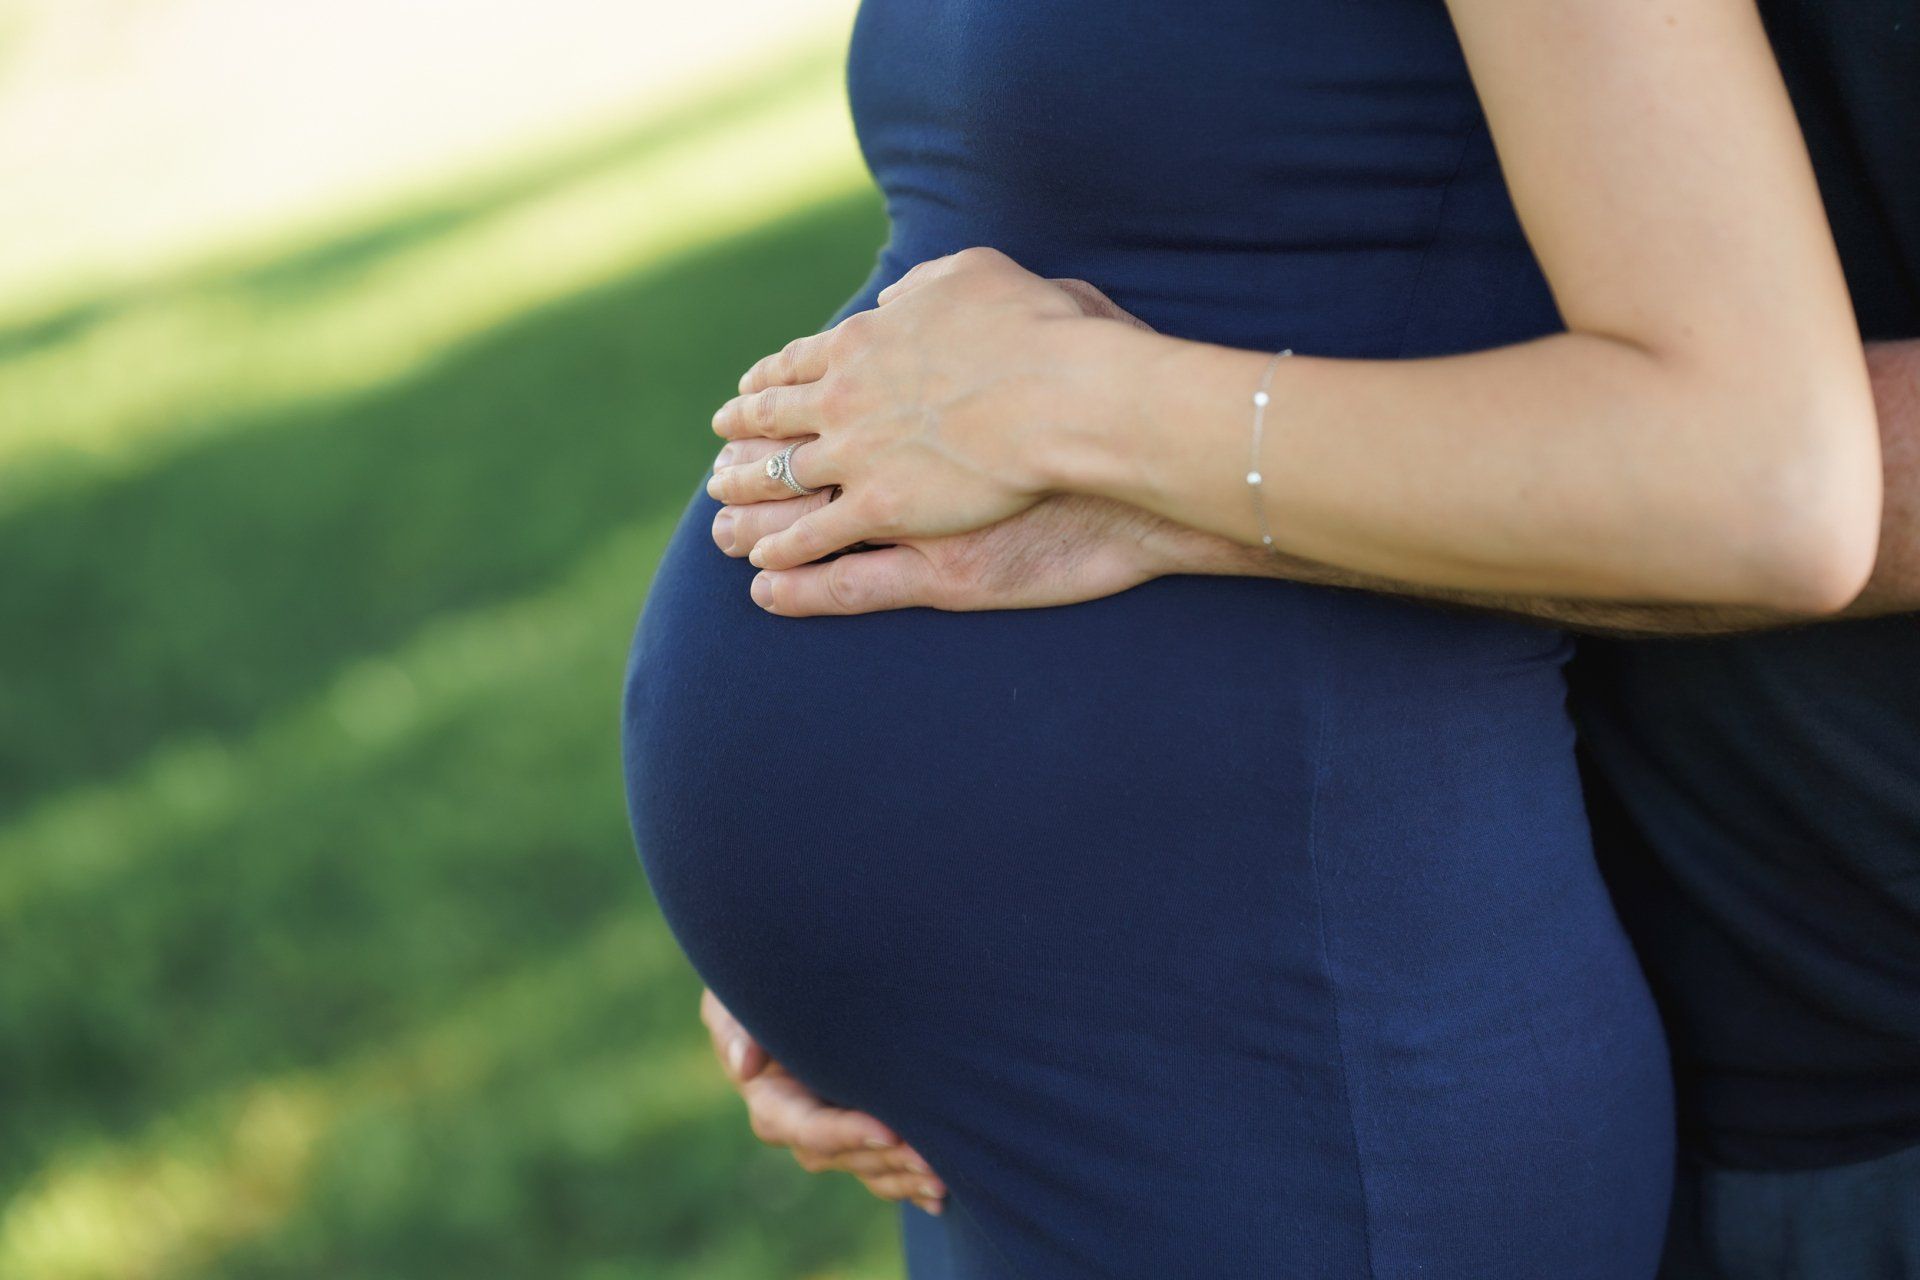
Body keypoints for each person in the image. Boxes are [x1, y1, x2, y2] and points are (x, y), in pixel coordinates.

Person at [623, 0, 1884, 1274]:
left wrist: (1087, 420)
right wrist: (835, 953)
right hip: (1044, 1051)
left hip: (1294, 1033)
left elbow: (1760, 483)